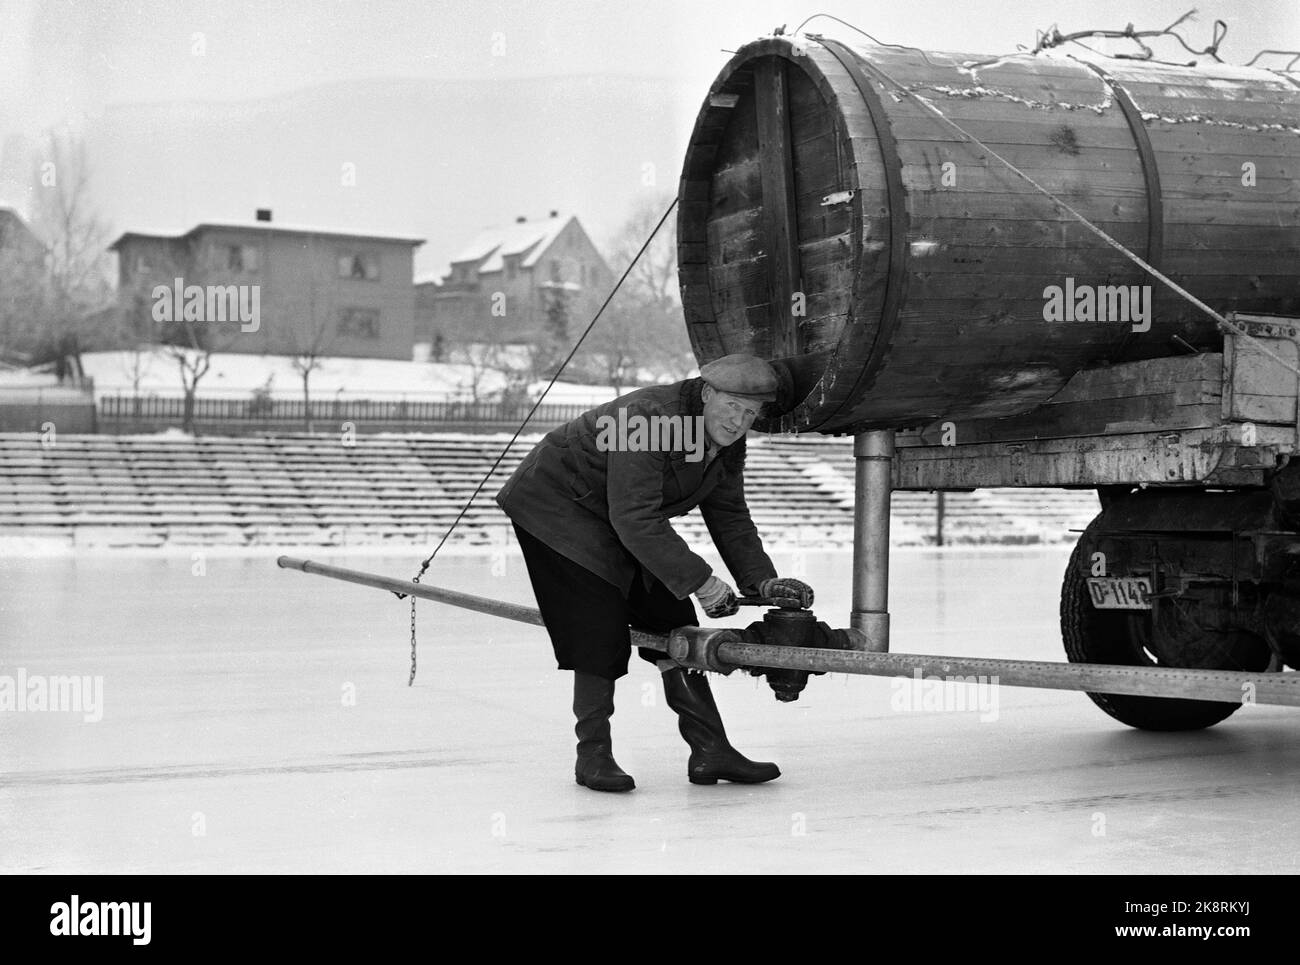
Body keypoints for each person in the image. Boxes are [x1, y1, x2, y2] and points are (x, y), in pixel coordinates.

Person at [496, 354, 814, 792]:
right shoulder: (648, 419)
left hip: (618, 514)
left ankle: (711, 750)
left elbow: (730, 515)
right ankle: (593, 755)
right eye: (731, 407)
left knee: (671, 617)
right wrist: (703, 582)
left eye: (749, 413)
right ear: (707, 393)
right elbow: (634, 518)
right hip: (559, 505)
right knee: (598, 621)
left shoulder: (725, 440)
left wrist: (761, 581)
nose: (738, 421)